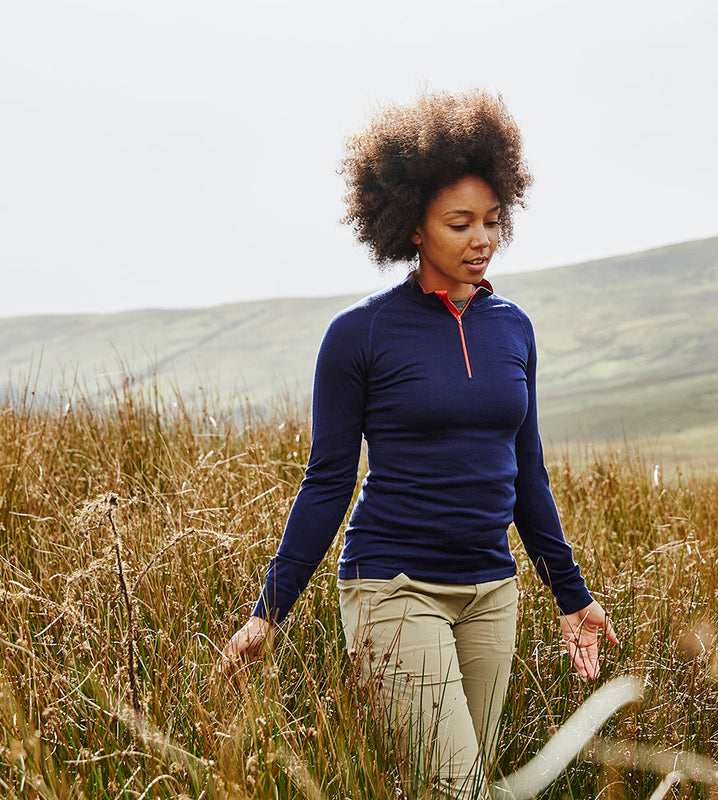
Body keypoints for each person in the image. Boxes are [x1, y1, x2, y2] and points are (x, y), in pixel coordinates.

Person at [220, 90, 618, 799]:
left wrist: (571, 594)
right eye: (459, 223)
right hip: (393, 587)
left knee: (460, 786)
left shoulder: (514, 328)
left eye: (493, 221)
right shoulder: (360, 336)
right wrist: (267, 611)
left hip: (491, 592)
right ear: (412, 227)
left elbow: (527, 472)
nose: (481, 239)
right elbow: (327, 481)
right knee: (457, 786)